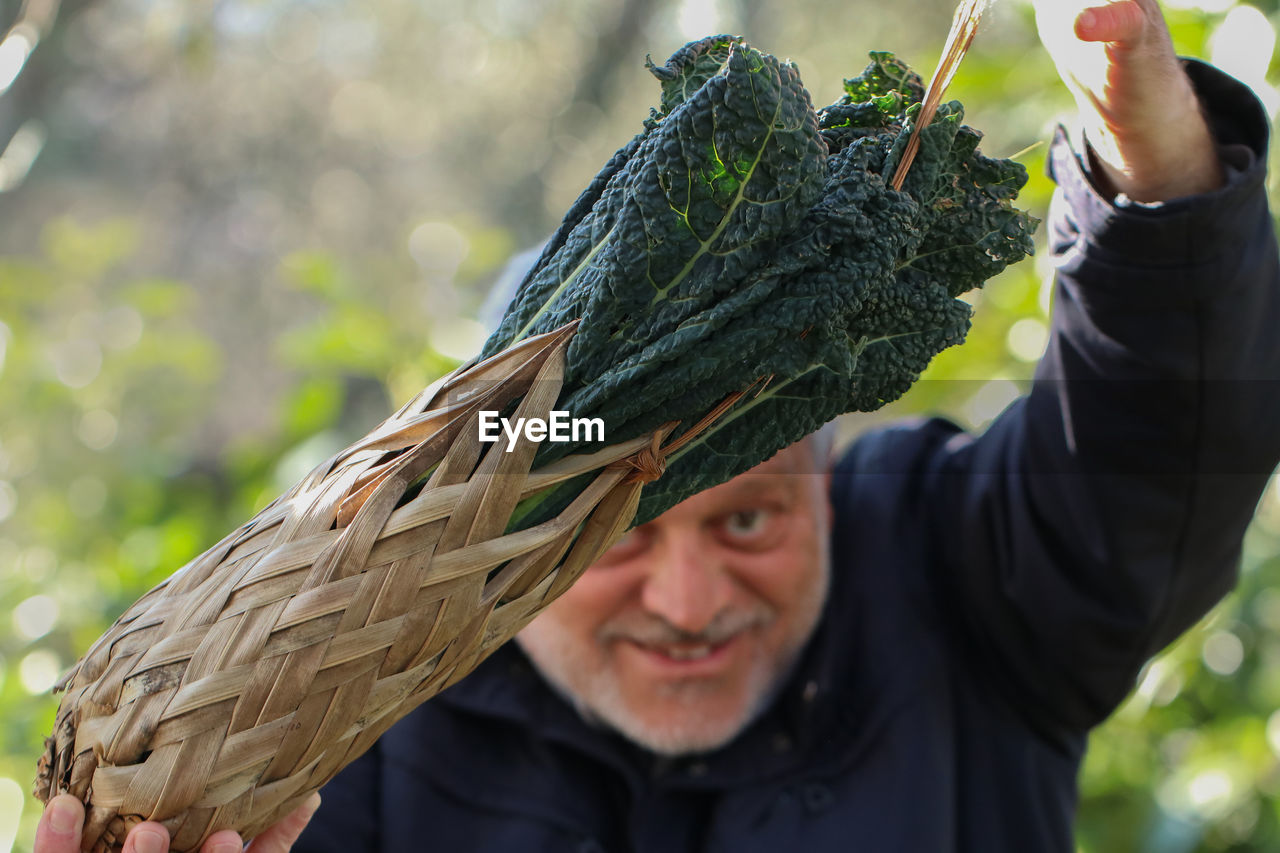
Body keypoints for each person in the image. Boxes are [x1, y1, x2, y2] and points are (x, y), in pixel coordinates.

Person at [33, 1, 1280, 850]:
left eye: (747, 513)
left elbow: (1156, 443)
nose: (687, 602)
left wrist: (1147, 157)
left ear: (822, 478)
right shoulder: (344, 738)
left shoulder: (960, 576)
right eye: (620, 524)